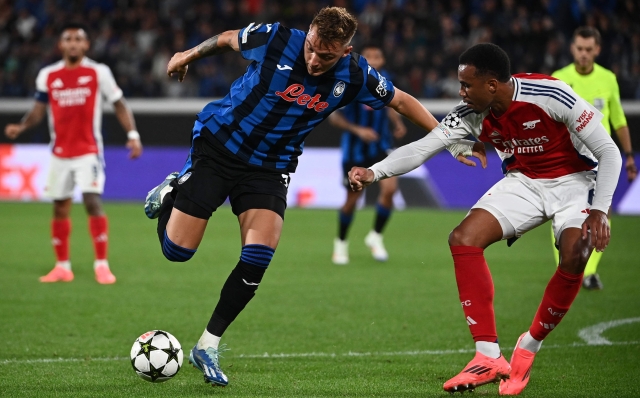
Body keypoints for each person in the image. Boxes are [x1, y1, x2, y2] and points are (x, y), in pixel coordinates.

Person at [143, 7, 476, 387]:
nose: (316, 61)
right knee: (178, 251)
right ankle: (173, 190)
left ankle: (208, 344)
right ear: (309, 34)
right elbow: (227, 38)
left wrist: (449, 139)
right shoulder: (276, 38)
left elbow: (401, 100)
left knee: (259, 254)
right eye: (313, 49)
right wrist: (187, 55)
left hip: (270, 167)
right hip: (220, 146)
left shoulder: (355, 74)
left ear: (346, 51)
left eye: (328, 56)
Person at [349, 43, 621, 395]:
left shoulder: (551, 93)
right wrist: (374, 173)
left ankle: (530, 345)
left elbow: (608, 151)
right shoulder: (470, 113)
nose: (460, 92)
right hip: (524, 183)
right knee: (463, 238)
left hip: (577, 182)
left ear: (492, 85)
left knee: (576, 253)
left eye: (466, 85)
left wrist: (600, 210)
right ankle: (488, 355)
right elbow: (423, 147)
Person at [4, 22, 142, 285]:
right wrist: (21, 126)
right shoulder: (48, 75)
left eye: (79, 39)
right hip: (59, 153)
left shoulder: (98, 72)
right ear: (61, 45)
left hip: (88, 150)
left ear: (86, 45)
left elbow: (119, 104)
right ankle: (62, 267)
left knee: (92, 201)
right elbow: (38, 110)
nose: (73, 43)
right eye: (68, 39)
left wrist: (132, 135)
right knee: (59, 207)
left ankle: (101, 265)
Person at [551, 26, 637, 290]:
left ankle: (589, 272)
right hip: (567, 159)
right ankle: (564, 267)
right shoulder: (558, 79)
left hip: (600, 158)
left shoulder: (608, 79)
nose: (584, 54)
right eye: (580, 49)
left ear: (597, 50)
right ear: (572, 49)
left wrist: (629, 156)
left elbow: (618, 120)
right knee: (560, 212)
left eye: (589, 50)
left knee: (603, 211)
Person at [329, 44, 406, 264]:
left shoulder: (386, 80)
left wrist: (397, 123)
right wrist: (358, 130)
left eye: (377, 56)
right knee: (353, 200)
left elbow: (391, 104)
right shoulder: (349, 82)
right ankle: (341, 243)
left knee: (390, 190)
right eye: (369, 55)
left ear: (382, 60)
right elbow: (334, 117)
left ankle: (375, 237)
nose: (373, 59)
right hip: (354, 151)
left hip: (381, 147)